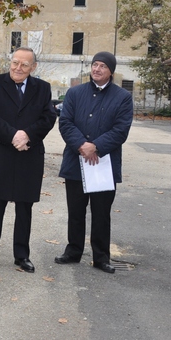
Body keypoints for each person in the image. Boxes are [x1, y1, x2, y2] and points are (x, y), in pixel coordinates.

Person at [0, 47, 56, 273]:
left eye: (24, 65)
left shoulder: (43, 88)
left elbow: (48, 117)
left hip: (28, 154)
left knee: (24, 208)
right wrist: (13, 135)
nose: (18, 68)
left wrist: (27, 134)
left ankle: (21, 255)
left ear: (33, 67)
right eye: (15, 63)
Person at [54, 51, 133, 274]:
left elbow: (121, 129)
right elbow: (66, 123)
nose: (97, 69)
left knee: (101, 213)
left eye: (102, 66)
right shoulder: (75, 93)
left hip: (103, 164)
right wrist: (81, 145)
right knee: (75, 211)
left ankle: (101, 257)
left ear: (111, 71)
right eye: (94, 65)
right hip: (76, 162)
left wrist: (95, 146)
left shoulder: (122, 97)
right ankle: (73, 251)